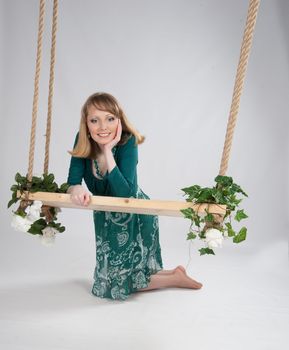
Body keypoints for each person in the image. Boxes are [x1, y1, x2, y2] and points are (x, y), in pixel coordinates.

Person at [67, 92, 202, 301]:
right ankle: (174, 273)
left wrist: (108, 151)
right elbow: (73, 182)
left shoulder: (128, 141)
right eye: (95, 120)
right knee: (105, 282)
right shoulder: (82, 140)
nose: (103, 127)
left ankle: (175, 278)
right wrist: (77, 190)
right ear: (86, 124)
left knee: (117, 285)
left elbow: (126, 193)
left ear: (119, 120)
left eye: (110, 119)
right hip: (105, 214)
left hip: (134, 213)